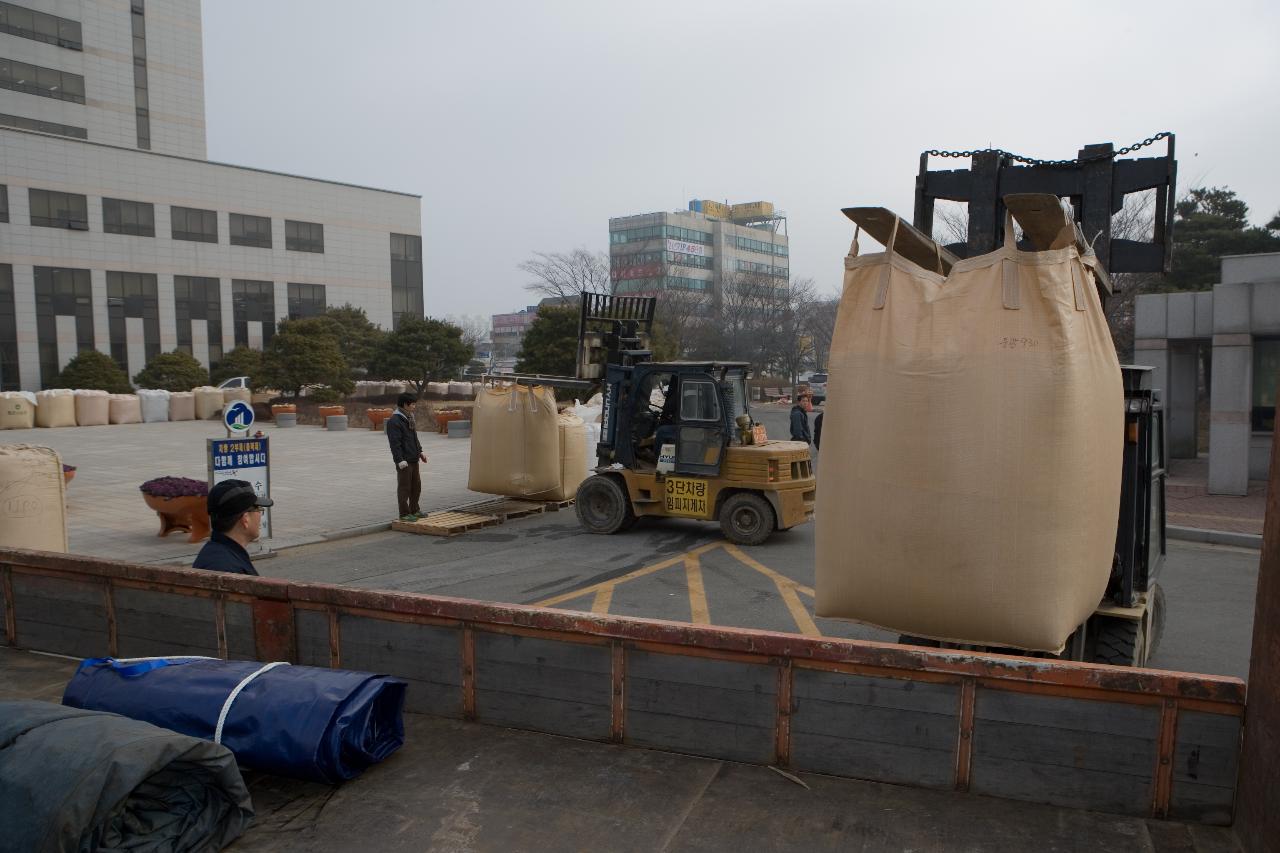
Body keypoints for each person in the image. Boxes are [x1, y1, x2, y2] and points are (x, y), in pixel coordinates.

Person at [192, 479, 272, 575]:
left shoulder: (215, 553)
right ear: (245, 519)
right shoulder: (229, 570)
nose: (260, 514)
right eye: (258, 508)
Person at [387, 392, 429, 521]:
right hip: (404, 461)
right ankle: (404, 514)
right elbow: (395, 443)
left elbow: (414, 437)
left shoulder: (409, 417)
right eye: (413, 404)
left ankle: (415, 510)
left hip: (413, 458)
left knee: (416, 486)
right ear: (405, 404)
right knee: (405, 487)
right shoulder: (395, 421)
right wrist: (399, 460)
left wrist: (420, 451)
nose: (414, 406)